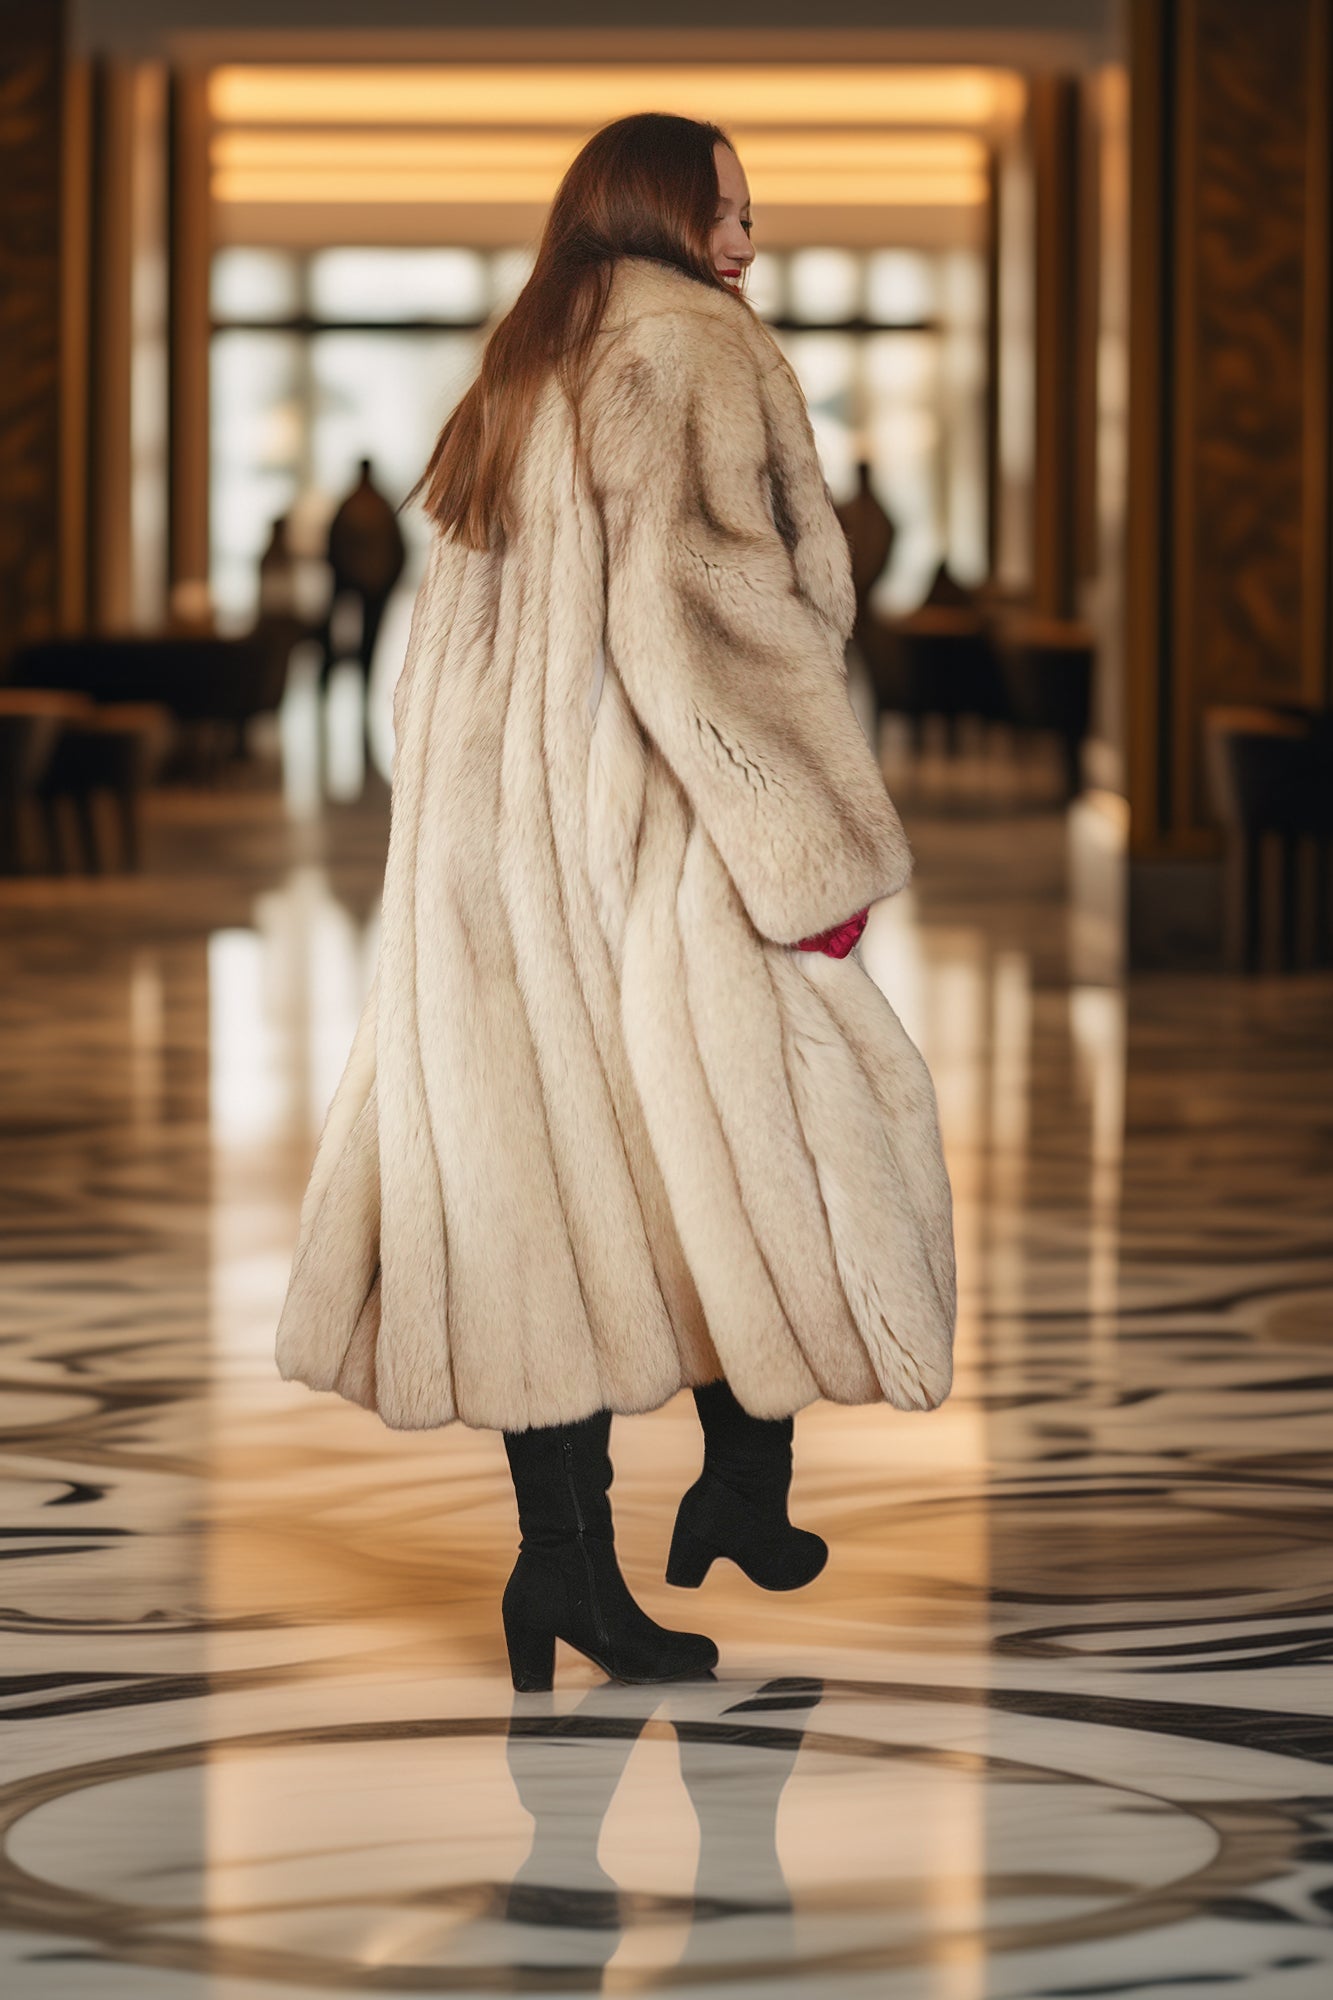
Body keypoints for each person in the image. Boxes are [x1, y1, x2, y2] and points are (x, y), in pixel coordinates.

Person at [274, 113, 957, 1693]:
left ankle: (570, 1572)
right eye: (721, 207)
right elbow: (709, 630)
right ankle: (736, 1484)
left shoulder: (526, 362)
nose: (744, 239)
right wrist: (812, 860)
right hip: (646, 847)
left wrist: (473, 833)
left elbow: (440, 667)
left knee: (550, 1207)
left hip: (490, 867)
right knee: (785, 1136)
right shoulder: (687, 351)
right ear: (649, 211)